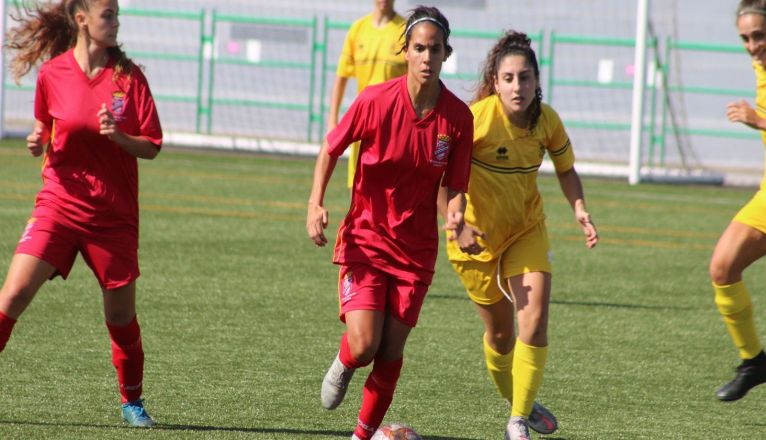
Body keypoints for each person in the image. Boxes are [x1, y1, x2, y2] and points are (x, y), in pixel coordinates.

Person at [306, 6, 478, 440]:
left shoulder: (458, 119)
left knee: (390, 350)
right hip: (366, 238)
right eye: (418, 48)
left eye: (434, 49)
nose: (426, 57)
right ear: (405, 51)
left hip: (416, 252)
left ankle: (362, 436)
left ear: (446, 53)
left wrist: (457, 218)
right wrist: (315, 202)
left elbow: (454, 187)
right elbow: (331, 148)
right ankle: (345, 361)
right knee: (364, 345)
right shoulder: (375, 100)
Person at [0, 0, 162, 427]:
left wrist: (121, 137)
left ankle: (132, 402)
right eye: (108, 15)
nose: (115, 23)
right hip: (58, 204)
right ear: (82, 20)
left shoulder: (129, 79)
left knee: (120, 318)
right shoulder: (52, 75)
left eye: (116, 15)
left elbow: (152, 145)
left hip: (113, 217)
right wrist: (38, 139)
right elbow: (46, 129)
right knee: (11, 296)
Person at [438, 31, 598, 440]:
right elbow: (442, 179)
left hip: (526, 229)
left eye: (525, 78)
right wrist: (457, 222)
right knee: (502, 335)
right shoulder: (476, 121)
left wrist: (578, 208)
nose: (517, 87)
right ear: (495, 81)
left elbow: (566, 170)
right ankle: (519, 401)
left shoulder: (547, 121)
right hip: (475, 241)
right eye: (509, 78)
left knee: (536, 321)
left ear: (536, 81)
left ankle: (516, 422)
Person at [709, 0, 766, 403]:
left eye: (758, 36)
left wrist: (759, 119)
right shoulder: (760, 65)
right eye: (745, 38)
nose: (751, 46)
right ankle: (755, 362)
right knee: (722, 266)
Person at [328, 0, 407, 189]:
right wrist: (332, 121)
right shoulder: (358, 30)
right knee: (359, 186)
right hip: (364, 119)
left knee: (391, 186)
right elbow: (341, 77)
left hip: (395, 121)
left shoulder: (405, 30)